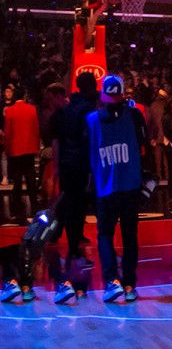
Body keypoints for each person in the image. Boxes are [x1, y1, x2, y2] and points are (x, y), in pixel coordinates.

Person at [88, 75, 150, 303]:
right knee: (129, 236)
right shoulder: (134, 115)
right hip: (130, 184)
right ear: (123, 94)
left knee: (105, 234)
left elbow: (87, 153)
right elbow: (144, 145)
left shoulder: (91, 120)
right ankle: (130, 285)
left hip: (105, 185)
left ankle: (111, 282)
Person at [48, 74, 97, 302]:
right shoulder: (86, 109)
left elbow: (57, 141)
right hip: (80, 164)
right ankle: (75, 247)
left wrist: (58, 165)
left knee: (70, 205)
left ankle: (72, 244)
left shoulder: (65, 112)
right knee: (77, 206)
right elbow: (89, 139)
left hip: (68, 164)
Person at [4, 84, 41, 224]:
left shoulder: (10, 111)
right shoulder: (32, 109)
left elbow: (8, 133)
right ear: (24, 96)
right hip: (29, 148)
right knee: (31, 180)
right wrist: (36, 147)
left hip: (15, 149)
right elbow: (36, 129)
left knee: (17, 181)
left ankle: (18, 212)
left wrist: (8, 150)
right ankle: (35, 208)